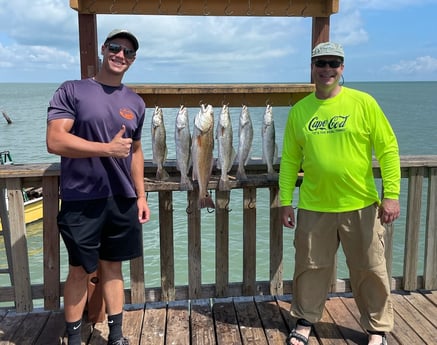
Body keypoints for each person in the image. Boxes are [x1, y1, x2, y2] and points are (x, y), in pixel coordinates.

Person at [279, 42, 400, 345]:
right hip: (314, 206)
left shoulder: (364, 103)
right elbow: (290, 160)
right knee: (310, 268)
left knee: (370, 269)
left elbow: (388, 149)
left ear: (342, 68)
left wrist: (391, 194)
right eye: (321, 63)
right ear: (313, 67)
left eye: (333, 63)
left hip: (360, 204)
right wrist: (285, 201)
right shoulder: (300, 111)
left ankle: (377, 329)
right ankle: (305, 320)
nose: (327, 69)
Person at [46, 29, 150, 345]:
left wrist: (142, 195)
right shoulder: (73, 90)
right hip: (82, 197)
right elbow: (55, 140)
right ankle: (75, 338)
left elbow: (134, 151)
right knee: (79, 269)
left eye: (129, 53)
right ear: (104, 49)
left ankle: (116, 335)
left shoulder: (136, 102)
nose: (121, 55)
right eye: (116, 48)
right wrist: (105, 149)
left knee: (113, 268)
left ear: (133, 61)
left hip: (121, 198)